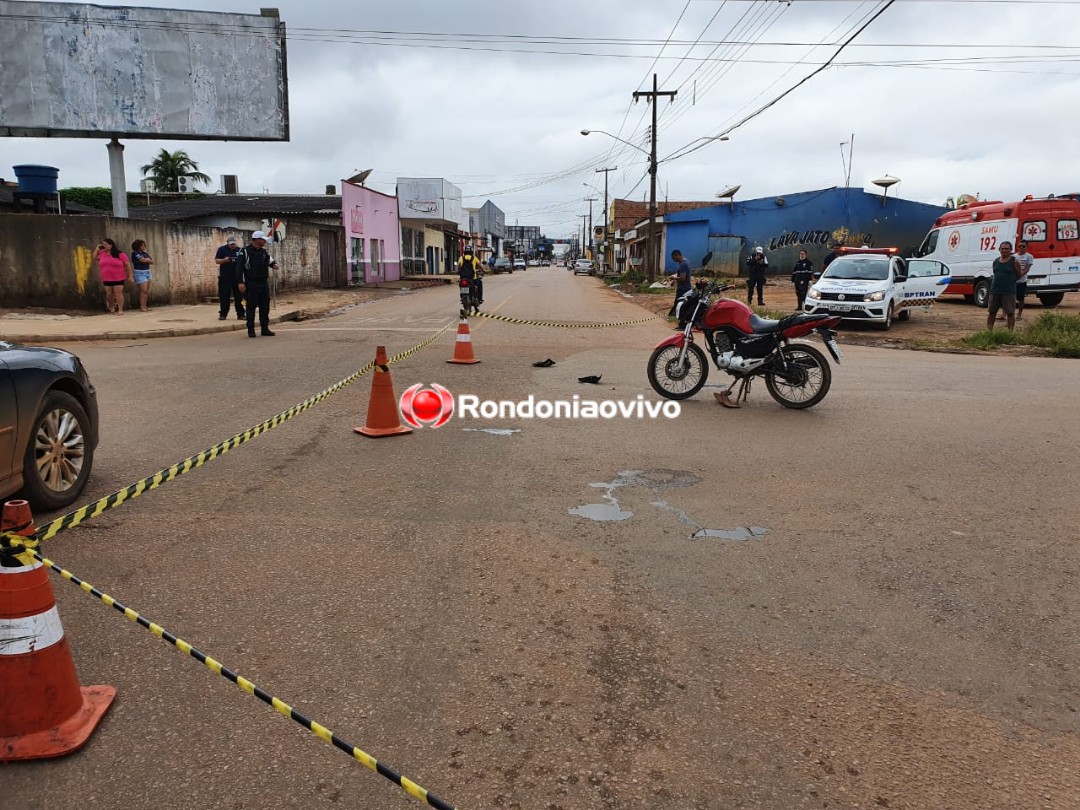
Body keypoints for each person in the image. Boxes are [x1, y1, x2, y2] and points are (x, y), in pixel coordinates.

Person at [236, 231, 279, 337]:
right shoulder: (245, 252)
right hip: (251, 283)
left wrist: (274, 265)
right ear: (256, 240)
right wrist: (240, 283)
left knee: (265, 306)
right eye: (262, 239)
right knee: (251, 307)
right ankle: (251, 329)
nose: (264, 241)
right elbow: (239, 268)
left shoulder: (263, 252)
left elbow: (270, 262)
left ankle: (265, 328)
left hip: (263, 282)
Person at [987, 241, 1022, 331]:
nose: (1004, 250)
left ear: (1011, 250)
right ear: (999, 249)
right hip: (995, 291)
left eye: (1007, 249)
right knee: (992, 312)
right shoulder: (996, 261)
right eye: (1002, 248)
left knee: (1010, 313)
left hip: (1009, 291)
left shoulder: (1014, 261)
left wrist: (1009, 282)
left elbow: (1018, 275)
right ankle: (989, 332)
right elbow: (996, 274)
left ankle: (1010, 332)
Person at [95, 238, 134, 316]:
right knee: (109, 294)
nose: (104, 246)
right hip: (106, 277)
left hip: (118, 277)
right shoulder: (102, 253)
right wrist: (97, 249)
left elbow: (127, 265)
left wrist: (130, 276)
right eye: (103, 244)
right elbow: (95, 258)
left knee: (118, 293)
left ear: (111, 245)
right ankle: (112, 308)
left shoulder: (120, 254)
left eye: (105, 244)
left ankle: (120, 309)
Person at [215, 235, 245, 321]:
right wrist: (224, 260)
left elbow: (243, 261)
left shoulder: (239, 250)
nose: (233, 246)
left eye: (234, 244)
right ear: (228, 243)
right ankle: (223, 314)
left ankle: (241, 314)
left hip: (237, 277)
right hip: (225, 277)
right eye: (231, 244)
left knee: (239, 296)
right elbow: (217, 260)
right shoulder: (222, 249)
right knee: (224, 296)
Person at [665, 248, 692, 324]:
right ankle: (677, 317)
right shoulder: (686, 261)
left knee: (679, 304)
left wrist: (674, 278)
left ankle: (681, 321)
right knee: (681, 303)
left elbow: (683, 278)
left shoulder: (683, 264)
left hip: (683, 288)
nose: (674, 260)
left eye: (674, 258)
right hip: (686, 287)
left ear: (678, 255)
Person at [130, 239, 153, 312]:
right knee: (144, 290)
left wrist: (147, 260)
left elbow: (152, 261)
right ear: (138, 246)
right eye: (142, 245)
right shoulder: (135, 253)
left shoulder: (145, 253)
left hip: (147, 272)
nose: (144, 247)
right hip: (139, 272)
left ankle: (145, 305)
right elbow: (142, 260)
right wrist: (147, 260)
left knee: (146, 291)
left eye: (144, 245)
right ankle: (141, 306)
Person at [457, 248, 483, 313]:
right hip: (472, 278)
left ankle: (462, 297)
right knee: (479, 283)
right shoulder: (474, 258)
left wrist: (458, 272)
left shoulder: (461, 258)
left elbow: (459, 267)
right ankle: (479, 299)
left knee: (461, 287)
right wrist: (484, 270)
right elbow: (480, 265)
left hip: (463, 278)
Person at [1014, 240, 1034, 319]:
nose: (1021, 248)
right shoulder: (1014, 257)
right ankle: (1005, 314)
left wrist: (1020, 275)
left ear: (1026, 247)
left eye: (1023, 246)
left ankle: (1019, 314)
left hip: (1022, 281)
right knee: (1009, 297)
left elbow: (1027, 268)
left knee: (1021, 298)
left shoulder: (1029, 256)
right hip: (1013, 280)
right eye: (1020, 246)